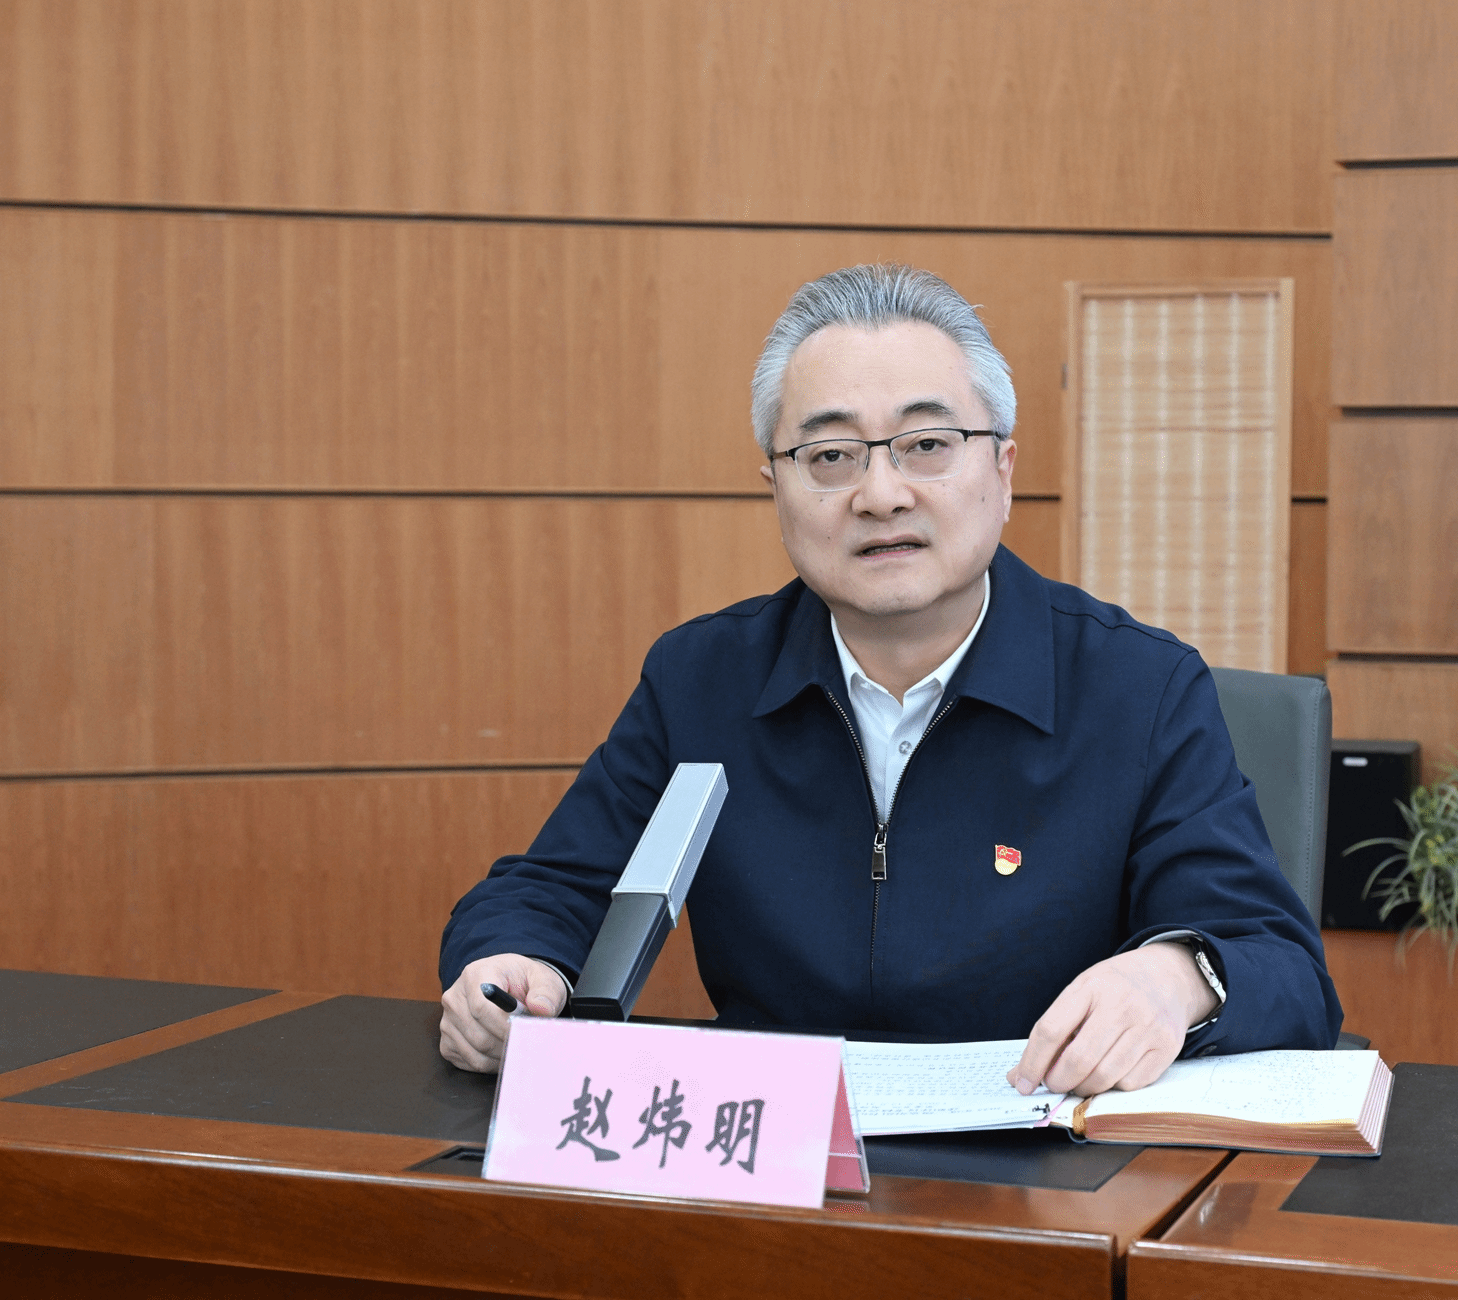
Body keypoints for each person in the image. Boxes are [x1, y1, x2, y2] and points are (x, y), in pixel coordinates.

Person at [439, 264, 1341, 1095]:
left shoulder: (1138, 689)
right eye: (831, 456)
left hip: (1041, 1160)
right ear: (776, 489)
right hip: (773, 1158)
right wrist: (515, 967)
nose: (880, 494)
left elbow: (1281, 964)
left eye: (926, 444)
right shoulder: (702, 681)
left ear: (1003, 470)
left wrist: (1176, 979)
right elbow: (546, 891)